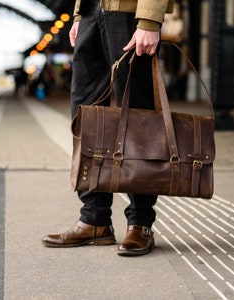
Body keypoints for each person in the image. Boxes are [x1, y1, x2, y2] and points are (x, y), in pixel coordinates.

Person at [42, 0, 174, 256]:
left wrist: (149, 20)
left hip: (128, 14)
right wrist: (80, 15)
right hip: (92, 12)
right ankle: (94, 219)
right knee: (86, 116)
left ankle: (140, 223)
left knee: (138, 118)